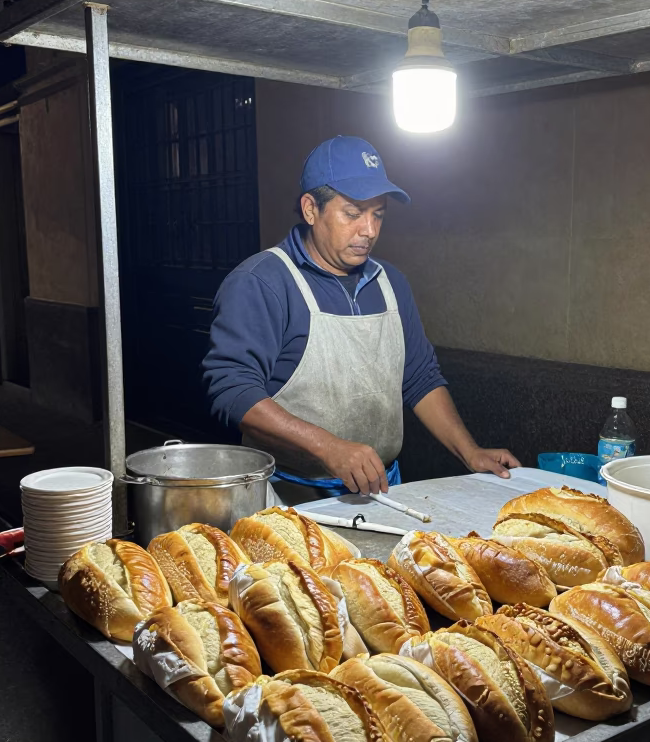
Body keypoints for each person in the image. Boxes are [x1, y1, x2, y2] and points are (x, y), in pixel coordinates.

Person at [203, 135, 520, 503]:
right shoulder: (262, 282)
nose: (369, 230)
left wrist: (469, 451)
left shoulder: (390, 284)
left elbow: (419, 378)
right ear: (310, 209)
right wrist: (328, 447)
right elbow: (233, 390)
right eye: (353, 213)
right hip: (288, 495)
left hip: (381, 491)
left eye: (378, 214)